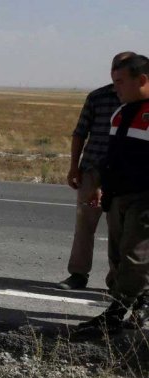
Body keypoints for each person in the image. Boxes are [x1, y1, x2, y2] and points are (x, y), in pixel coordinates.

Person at [75, 54, 149, 334]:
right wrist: (100, 185)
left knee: (135, 257)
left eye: (120, 82)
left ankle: (115, 315)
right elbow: (113, 156)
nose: (114, 87)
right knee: (118, 256)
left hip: (144, 199)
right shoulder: (121, 112)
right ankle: (140, 303)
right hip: (118, 196)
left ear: (141, 79)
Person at [58, 51, 135, 290]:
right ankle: (78, 274)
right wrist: (74, 167)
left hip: (125, 175)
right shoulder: (98, 97)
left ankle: (117, 281)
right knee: (84, 225)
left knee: (120, 231)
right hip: (92, 171)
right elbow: (80, 132)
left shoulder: (139, 101)